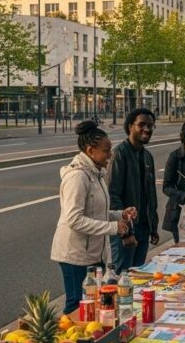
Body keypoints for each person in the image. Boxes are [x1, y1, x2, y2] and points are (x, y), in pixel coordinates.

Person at [52, 121, 133, 315]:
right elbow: (74, 219)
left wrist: (120, 214)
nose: (110, 155)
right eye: (106, 151)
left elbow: (97, 213)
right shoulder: (77, 177)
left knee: (94, 302)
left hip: (93, 252)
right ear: (90, 150)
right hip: (75, 254)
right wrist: (114, 227)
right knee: (76, 304)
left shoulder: (95, 173)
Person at [109, 108, 159, 273]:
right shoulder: (119, 154)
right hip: (127, 230)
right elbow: (113, 196)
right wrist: (125, 232)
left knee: (137, 276)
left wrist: (153, 226)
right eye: (142, 125)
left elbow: (150, 196)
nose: (147, 129)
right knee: (121, 278)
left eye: (150, 126)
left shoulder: (147, 156)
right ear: (130, 126)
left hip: (143, 228)